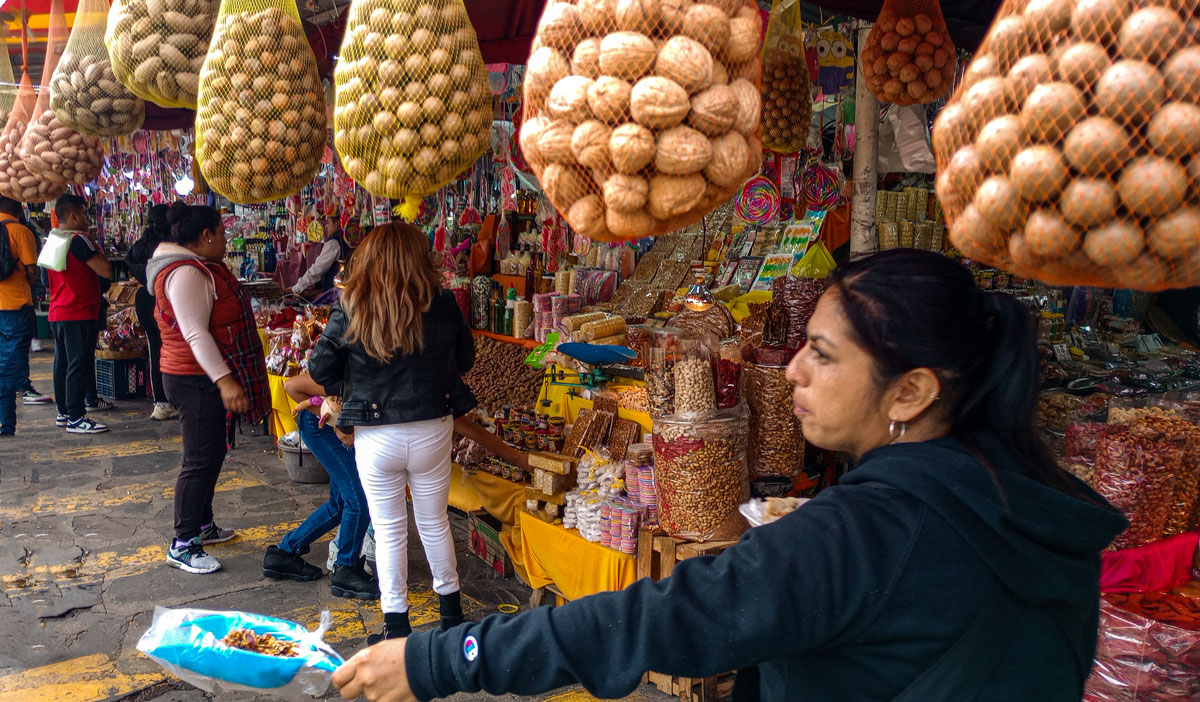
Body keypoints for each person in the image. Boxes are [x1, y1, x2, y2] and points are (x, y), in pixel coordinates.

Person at [331, 249, 1129, 702]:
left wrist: (446, 658)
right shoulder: (1027, 503)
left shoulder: (869, 532)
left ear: (912, 391)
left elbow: (664, 616)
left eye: (822, 354)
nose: (791, 378)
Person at [309, 222, 475, 643]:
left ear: (366, 257)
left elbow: (321, 370)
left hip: (375, 434)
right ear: (421, 256)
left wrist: (350, 374)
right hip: (432, 427)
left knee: (388, 529)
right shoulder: (443, 302)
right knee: (434, 522)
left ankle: (395, 627)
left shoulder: (350, 304)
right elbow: (466, 358)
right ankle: (451, 617)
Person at [147, 203, 269, 575]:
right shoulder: (186, 272)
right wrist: (224, 380)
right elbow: (195, 333)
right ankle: (183, 542)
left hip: (195, 374)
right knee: (199, 459)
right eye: (223, 233)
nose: (226, 241)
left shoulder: (190, 266)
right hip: (193, 377)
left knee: (212, 453)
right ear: (206, 236)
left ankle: (202, 525)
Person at [262, 370, 379, 600]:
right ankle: (345, 567)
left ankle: (283, 554)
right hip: (321, 427)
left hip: (338, 427)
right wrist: (335, 421)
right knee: (358, 501)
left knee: (340, 504)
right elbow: (292, 386)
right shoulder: (343, 365)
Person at [45, 195, 110, 434]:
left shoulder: (52, 239)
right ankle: (76, 417)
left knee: (62, 362)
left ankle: (64, 412)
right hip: (79, 311)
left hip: (58, 311)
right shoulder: (79, 239)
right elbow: (105, 270)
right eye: (83, 213)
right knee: (79, 363)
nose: (86, 218)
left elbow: (45, 280)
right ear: (73, 215)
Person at [0, 198, 52, 408]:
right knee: (18, 347)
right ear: (19, 210)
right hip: (16, 302)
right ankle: (23, 388)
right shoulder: (20, 231)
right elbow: (32, 269)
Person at [126, 204, 176, 421]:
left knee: (156, 349)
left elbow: (132, 264)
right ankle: (170, 400)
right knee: (174, 348)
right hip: (167, 300)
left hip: (145, 301)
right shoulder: (172, 245)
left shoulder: (141, 245)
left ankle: (161, 402)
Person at [292, 225, 347, 298]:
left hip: (336, 294)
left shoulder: (334, 243)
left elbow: (317, 270)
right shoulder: (347, 239)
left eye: (328, 223)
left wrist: (297, 288)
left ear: (336, 223)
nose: (326, 227)